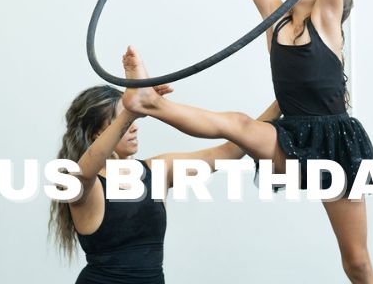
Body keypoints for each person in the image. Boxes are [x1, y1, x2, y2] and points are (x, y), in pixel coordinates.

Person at [122, 0, 373, 281]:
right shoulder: (274, 23)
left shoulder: (327, 22)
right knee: (237, 124)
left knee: (356, 261)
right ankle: (149, 104)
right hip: (290, 135)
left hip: (335, 142)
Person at [49, 84, 280, 283]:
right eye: (121, 119)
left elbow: (230, 151)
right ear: (96, 135)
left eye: (133, 118)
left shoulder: (157, 170)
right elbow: (86, 169)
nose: (135, 126)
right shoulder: (78, 183)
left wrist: (281, 103)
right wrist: (132, 109)